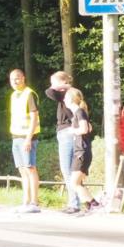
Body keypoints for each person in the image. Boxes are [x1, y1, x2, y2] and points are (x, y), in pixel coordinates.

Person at [44, 71, 80, 213]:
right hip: (66, 132)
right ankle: (75, 202)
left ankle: (74, 203)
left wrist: (63, 86)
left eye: (54, 82)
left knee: (67, 169)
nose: (52, 85)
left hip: (67, 132)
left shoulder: (67, 93)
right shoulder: (68, 93)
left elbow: (49, 92)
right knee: (71, 170)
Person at [8, 69, 41, 212]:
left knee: (30, 168)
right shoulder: (14, 95)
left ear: (23, 78)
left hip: (27, 137)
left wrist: (28, 138)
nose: (15, 81)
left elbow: (34, 118)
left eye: (17, 78)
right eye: (12, 79)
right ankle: (25, 202)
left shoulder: (29, 94)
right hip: (16, 136)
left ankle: (34, 202)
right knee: (22, 170)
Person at [63, 88, 98, 212]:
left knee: (75, 183)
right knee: (76, 183)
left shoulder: (79, 112)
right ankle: (90, 206)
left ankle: (94, 204)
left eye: (65, 98)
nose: (63, 100)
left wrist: (72, 131)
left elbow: (84, 129)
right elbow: (90, 127)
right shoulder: (78, 113)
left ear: (71, 99)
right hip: (80, 151)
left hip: (81, 152)